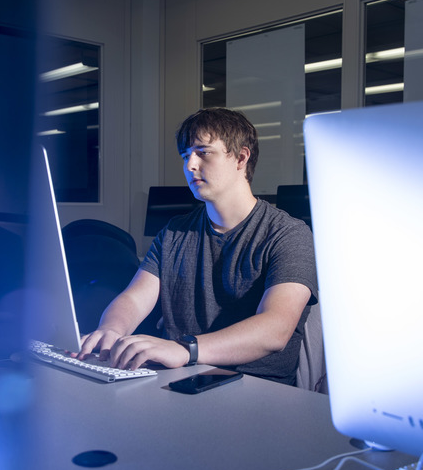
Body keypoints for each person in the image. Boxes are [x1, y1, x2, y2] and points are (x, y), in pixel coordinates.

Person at [77, 108, 317, 385]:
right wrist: (111, 330)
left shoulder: (288, 234)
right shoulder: (174, 232)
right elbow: (134, 298)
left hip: (254, 386)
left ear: (241, 157)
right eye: (185, 155)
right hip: (182, 377)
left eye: (203, 152)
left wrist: (185, 349)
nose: (190, 165)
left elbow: (275, 328)